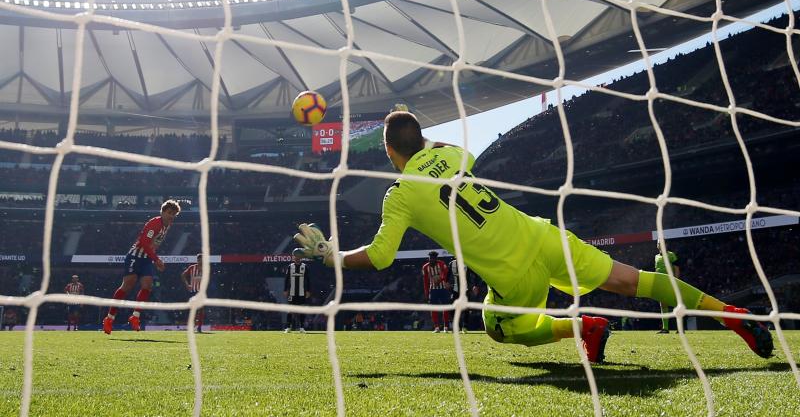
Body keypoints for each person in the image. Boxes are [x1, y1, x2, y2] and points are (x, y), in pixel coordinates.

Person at [293, 111, 774, 363]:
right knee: (634, 280)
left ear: (388, 153)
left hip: (513, 273)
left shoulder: (400, 194)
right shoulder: (456, 156)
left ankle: (581, 327)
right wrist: (420, 139)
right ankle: (731, 314)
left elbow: (380, 258)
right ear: (421, 140)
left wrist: (332, 256)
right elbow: (448, 150)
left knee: (497, 327)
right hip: (541, 235)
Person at [103, 199, 181, 335]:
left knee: (147, 286)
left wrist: (153, 257)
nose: (171, 216)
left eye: (174, 214)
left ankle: (135, 317)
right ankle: (109, 318)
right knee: (127, 286)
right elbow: (144, 243)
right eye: (169, 212)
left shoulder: (168, 225)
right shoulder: (154, 224)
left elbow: (154, 243)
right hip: (135, 256)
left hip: (146, 259)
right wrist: (156, 259)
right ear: (162, 212)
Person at [422, 251, 450, 333]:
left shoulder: (441, 264)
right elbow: (425, 281)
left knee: (446, 308)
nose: (431, 260)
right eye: (430, 258)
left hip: (443, 289)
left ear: (436, 259)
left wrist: (440, 279)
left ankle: (446, 327)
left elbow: (445, 273)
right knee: (434, 309)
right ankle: (436, 327)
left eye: (433, 258)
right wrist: (427, 293)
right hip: (433, 290)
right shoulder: (425, 267)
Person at [284, 253, 311, 333]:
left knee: (301, 309)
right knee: (290, 310)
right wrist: (285, 290)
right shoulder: (290, 266)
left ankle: (302, 328)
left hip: (301, 292)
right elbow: (287, 279)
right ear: (293, 257)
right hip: (292, 292)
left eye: (298, 256)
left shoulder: (305, 266)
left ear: (301, 257)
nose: (297, 258)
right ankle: (288, 327)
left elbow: (308, 279)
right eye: (295, 256)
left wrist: (308, 290)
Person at [655, 250, 680, 334]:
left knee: (675, 303)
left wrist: (676, 280)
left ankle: (680, 328)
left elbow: (676, 268)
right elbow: (657, 270)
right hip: (661, 283)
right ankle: (665, 328)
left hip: (670, 281)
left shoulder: (671, 254)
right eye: (658, 243)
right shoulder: (656, 256)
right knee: (663, 304)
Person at [181, 253, 205, 333]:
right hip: (193, 291)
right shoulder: (192, 268)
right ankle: (192, 326)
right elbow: (183, 275)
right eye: (199, 259)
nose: (200, 261)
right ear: (197, 260)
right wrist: (187, 285)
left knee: (201, 310)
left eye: (201, 259)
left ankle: (199, 327)